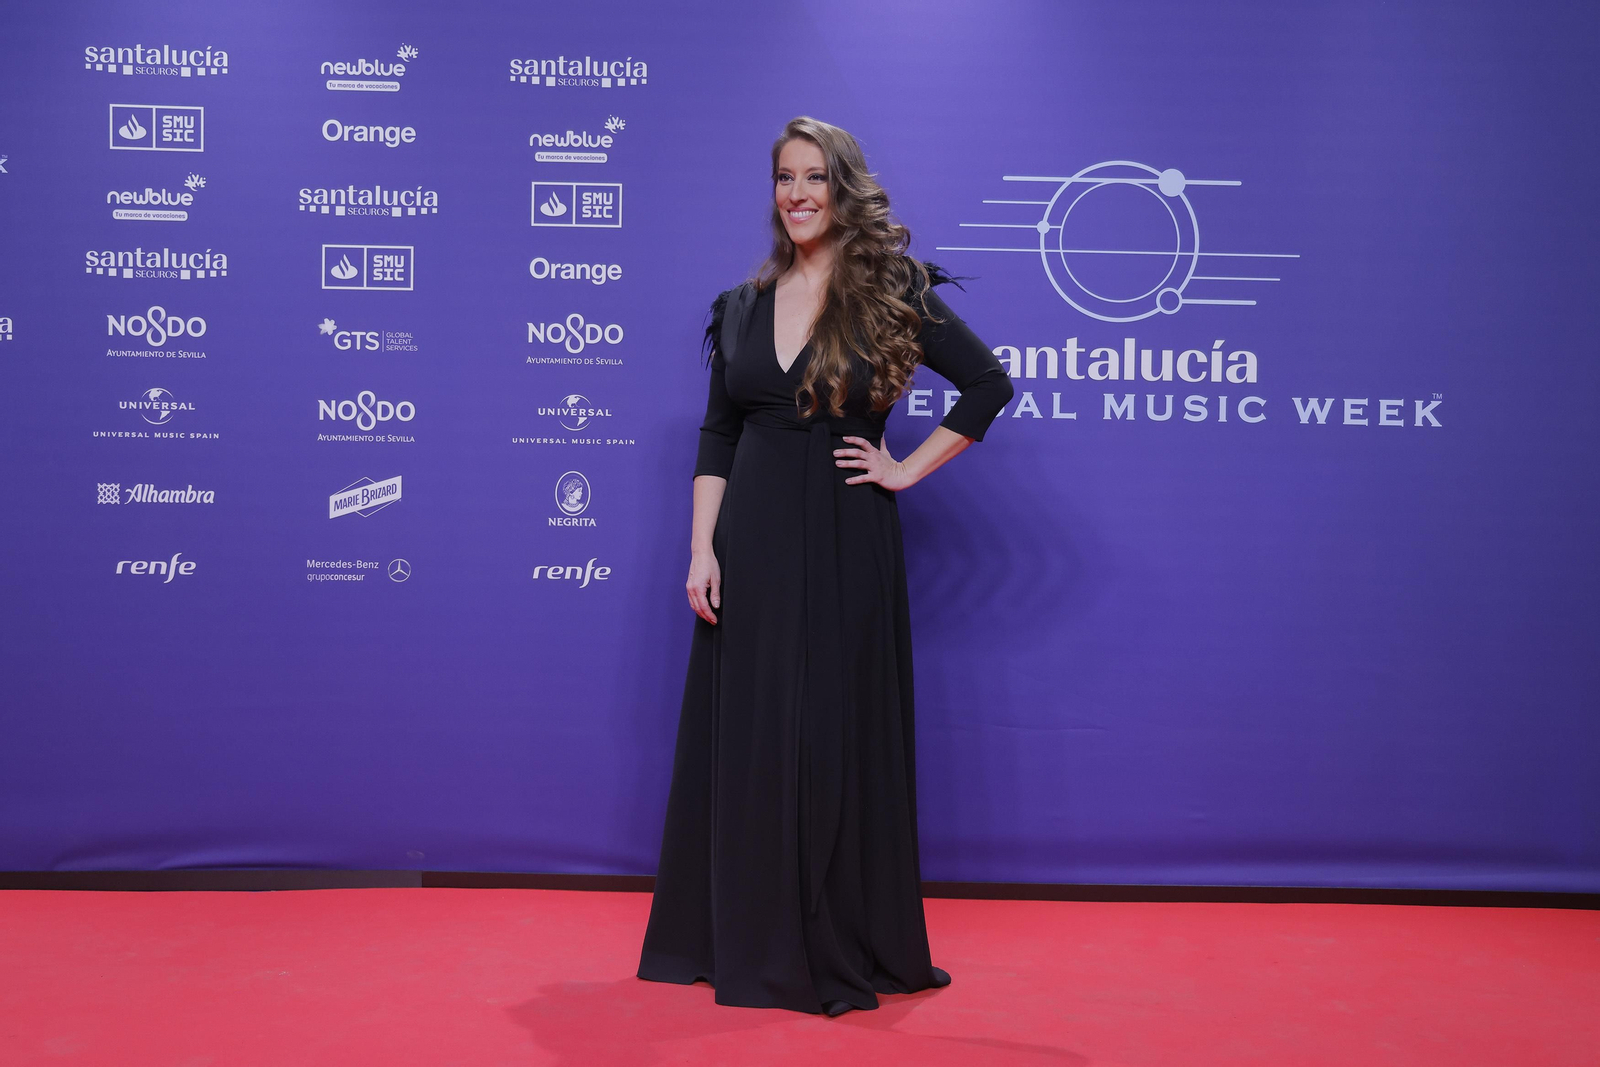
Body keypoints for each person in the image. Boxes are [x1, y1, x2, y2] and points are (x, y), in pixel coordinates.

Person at [636, 116, 1013, 1016]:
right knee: (757, 731)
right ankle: (744, 933)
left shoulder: (894, 293)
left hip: (848, 542)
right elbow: (718, 433)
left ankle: (835, 932)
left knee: (830, 734)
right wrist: (700, 548)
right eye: (783, 179)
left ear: (844, 189)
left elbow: (988, 385)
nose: (797, 195)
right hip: (751, 547)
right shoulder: (740, 304)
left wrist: (903, 469)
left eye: (813, 178)